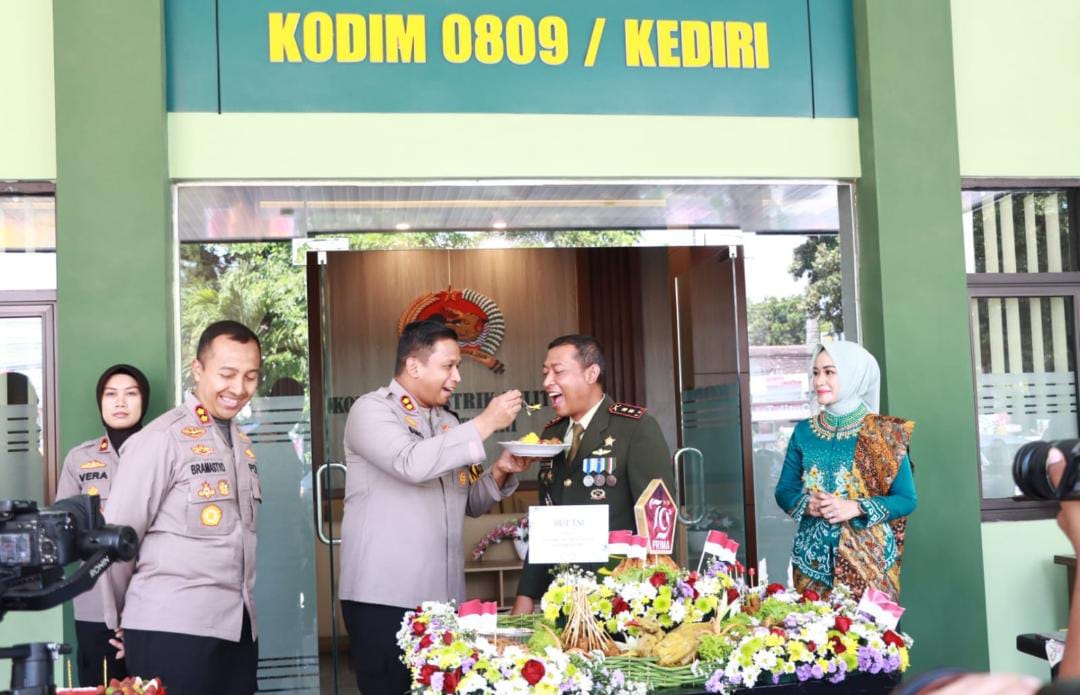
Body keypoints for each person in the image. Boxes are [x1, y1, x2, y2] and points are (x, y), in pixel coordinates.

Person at [339, 319, 531, 695]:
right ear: (413, 366)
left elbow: (469, 501)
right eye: (449, 366)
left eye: (458, 366)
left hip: (443, 599)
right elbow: (410, 463)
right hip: (384, 599)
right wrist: (486, 422)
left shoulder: (448, 422)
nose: (457, 376)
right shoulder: (372, 410)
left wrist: (500, 471)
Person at [101, 321, 263, 695]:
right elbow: (116, 542)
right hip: (171, 627)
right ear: (198, 369)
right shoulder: (161, 438)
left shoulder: (241, 442)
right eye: (227, 374)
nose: (239, 388)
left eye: (251, 376)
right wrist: (123, 621)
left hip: (237, 628)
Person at [512, 334, 675, 615]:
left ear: (591, 373)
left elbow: (658, 520)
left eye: (558, 371)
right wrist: (526, 595)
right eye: (545, 373)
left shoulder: (634, 428)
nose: (547, 382)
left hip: (618, 598)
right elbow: (548, 522)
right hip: (562, 597)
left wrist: (653, 598)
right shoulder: (552, 433)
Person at [774, 341, 916, 601]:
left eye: (829, 372)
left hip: (869, 563)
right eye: (816, 372)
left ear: (853, 375)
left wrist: (856, 507)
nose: (819, 381)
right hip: (811, 565)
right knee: (808, 628)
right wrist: (807, 505)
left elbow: (906, 499)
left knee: (865, 630)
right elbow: (784, 490)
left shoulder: (883, 433)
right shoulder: (804, 432)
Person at [56, 364, 149, 687]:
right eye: (111, 394)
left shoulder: (162, 452)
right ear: (101, 402)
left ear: (143, 401)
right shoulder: (79, 459)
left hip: (154, 601)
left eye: (130, 394)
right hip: (96, 605)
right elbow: (64, 529)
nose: (120, 402)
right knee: (101, 685)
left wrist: (138, 617)